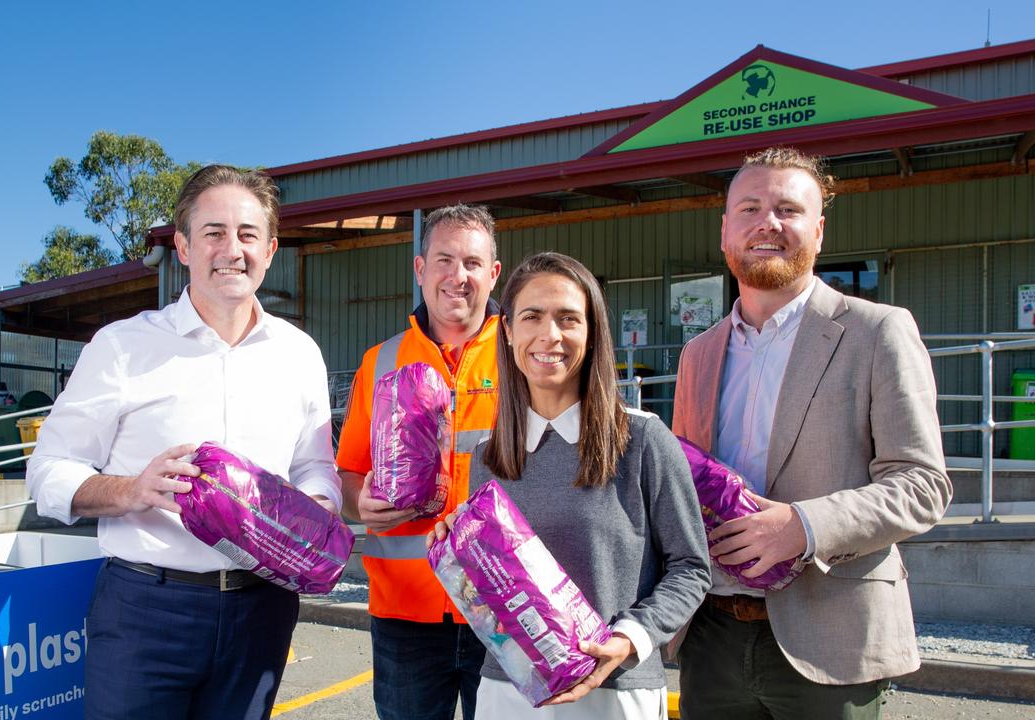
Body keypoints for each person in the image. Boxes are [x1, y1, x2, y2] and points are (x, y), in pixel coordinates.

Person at [26, 165, 342, 720]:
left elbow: (315, 466)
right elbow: (48, 472)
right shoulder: (123, 346)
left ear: (270, 250)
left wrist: (317, 506)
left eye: (247, 234)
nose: (232, 250)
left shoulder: (299, 354)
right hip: (146, 610)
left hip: (261, 610)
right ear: (183, 246)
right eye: (214, 232)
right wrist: (132, 489)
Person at [671, 147, 952, 719]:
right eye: (748, 209)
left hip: (831, 639)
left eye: (787, 209)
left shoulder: (877, 332)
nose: (766, 223)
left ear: (818, 230)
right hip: (712, 638)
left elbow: (923, 484)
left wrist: (803, 526)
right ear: (726, 231)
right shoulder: (696, 355)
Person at [432, 252, 710, 719]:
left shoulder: (642, 441)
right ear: (508, 331)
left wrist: (629, 638)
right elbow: (495, 599)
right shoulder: (488, 456)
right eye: (532, 317)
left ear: (592, 331)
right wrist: (459, 560)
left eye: (568, 318)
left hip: (615, 693)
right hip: (509, 693)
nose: (550, 335)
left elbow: (690, 568)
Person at [334, 204, 502, 720]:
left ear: (493, 273)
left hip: (503, 607)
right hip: (404, 614)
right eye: (445, 260)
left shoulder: (524, 355)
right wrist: (360, 504)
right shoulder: (380, 361)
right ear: (420, 269)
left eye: (473, 263)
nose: (458, 276)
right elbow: (348, 479)